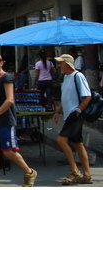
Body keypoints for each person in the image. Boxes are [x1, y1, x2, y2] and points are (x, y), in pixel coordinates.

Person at [0, 53, 37, 187]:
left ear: (1, 63)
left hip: (5, 121)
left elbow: (10, 100)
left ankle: (29, 172)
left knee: (8, 151)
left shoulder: (7, 78)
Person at [52, 53, 93, 185]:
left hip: (75, 115)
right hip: (68, 113)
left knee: (61, 140)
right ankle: (87, 174)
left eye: (61, 63)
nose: (59, 66)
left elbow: (87, 96)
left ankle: (74, 171)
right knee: (78, 144)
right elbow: (66, 97)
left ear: (68, 64)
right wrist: (58, 111)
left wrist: (78, 110)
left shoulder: (78, 76)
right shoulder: (66, 77)